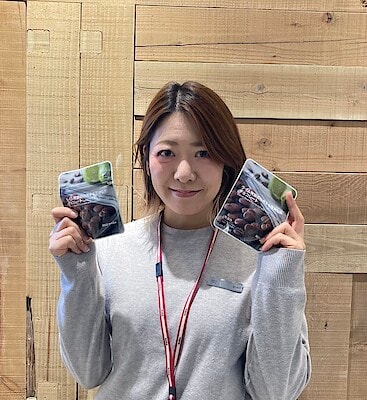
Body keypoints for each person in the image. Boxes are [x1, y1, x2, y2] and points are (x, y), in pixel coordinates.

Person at [49, 81, 311, 400]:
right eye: (167, 153)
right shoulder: (108, 249)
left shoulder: (261, 259)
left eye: (203, 153)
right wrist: (77, 270)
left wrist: (281, 273)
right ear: (146, 159)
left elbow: (275, 391)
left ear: (227, 160)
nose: (184, 172)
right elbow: (87, 372)